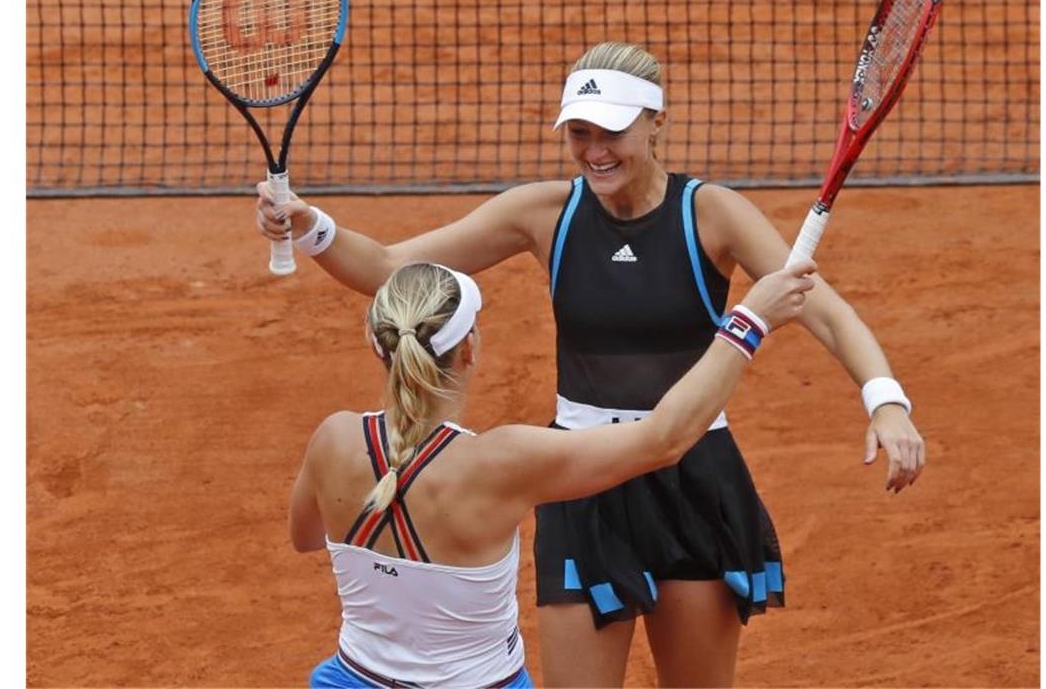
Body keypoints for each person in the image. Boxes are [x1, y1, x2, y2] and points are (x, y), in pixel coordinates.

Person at [262, 42, 925, 687]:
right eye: (579, 133)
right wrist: (310, 224)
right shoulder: (545, 214)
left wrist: (886, 400)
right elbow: (386, 267)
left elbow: (827, 312)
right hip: (580, 479)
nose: (594, 151)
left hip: (693, 478)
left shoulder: (713, 215)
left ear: (656, 121)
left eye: (611, 131)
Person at [291, 260, 814, 687]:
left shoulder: (333, 439)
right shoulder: (501, 462)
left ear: (376, 344)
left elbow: (306, 537)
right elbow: (665, 440)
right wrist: (750, 321)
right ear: (469, 348)